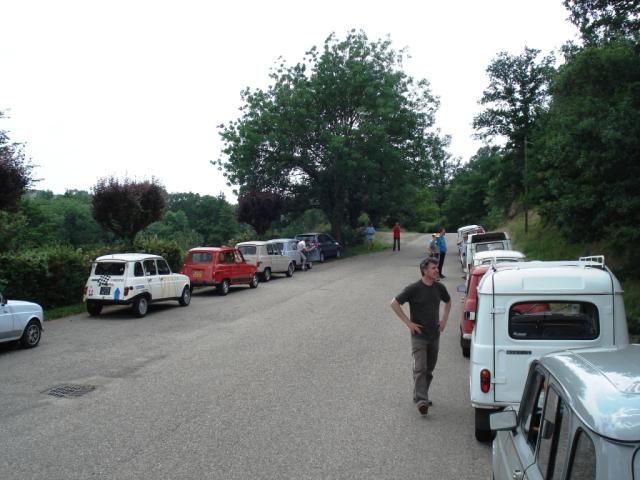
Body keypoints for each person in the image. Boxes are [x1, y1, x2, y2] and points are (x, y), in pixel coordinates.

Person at [390, 257, 451, 415]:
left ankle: (418, 394)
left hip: (434, 335)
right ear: (424, 270)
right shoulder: (413, 288)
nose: (436, 270)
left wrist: (444, 320)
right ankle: (422, 401)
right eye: (433, 268)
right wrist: (409, 323)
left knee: (429, 369)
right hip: (419, 336)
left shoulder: (439, 288)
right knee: (420, 367)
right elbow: (394, 303)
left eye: (437, 268)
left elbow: (448, 301)